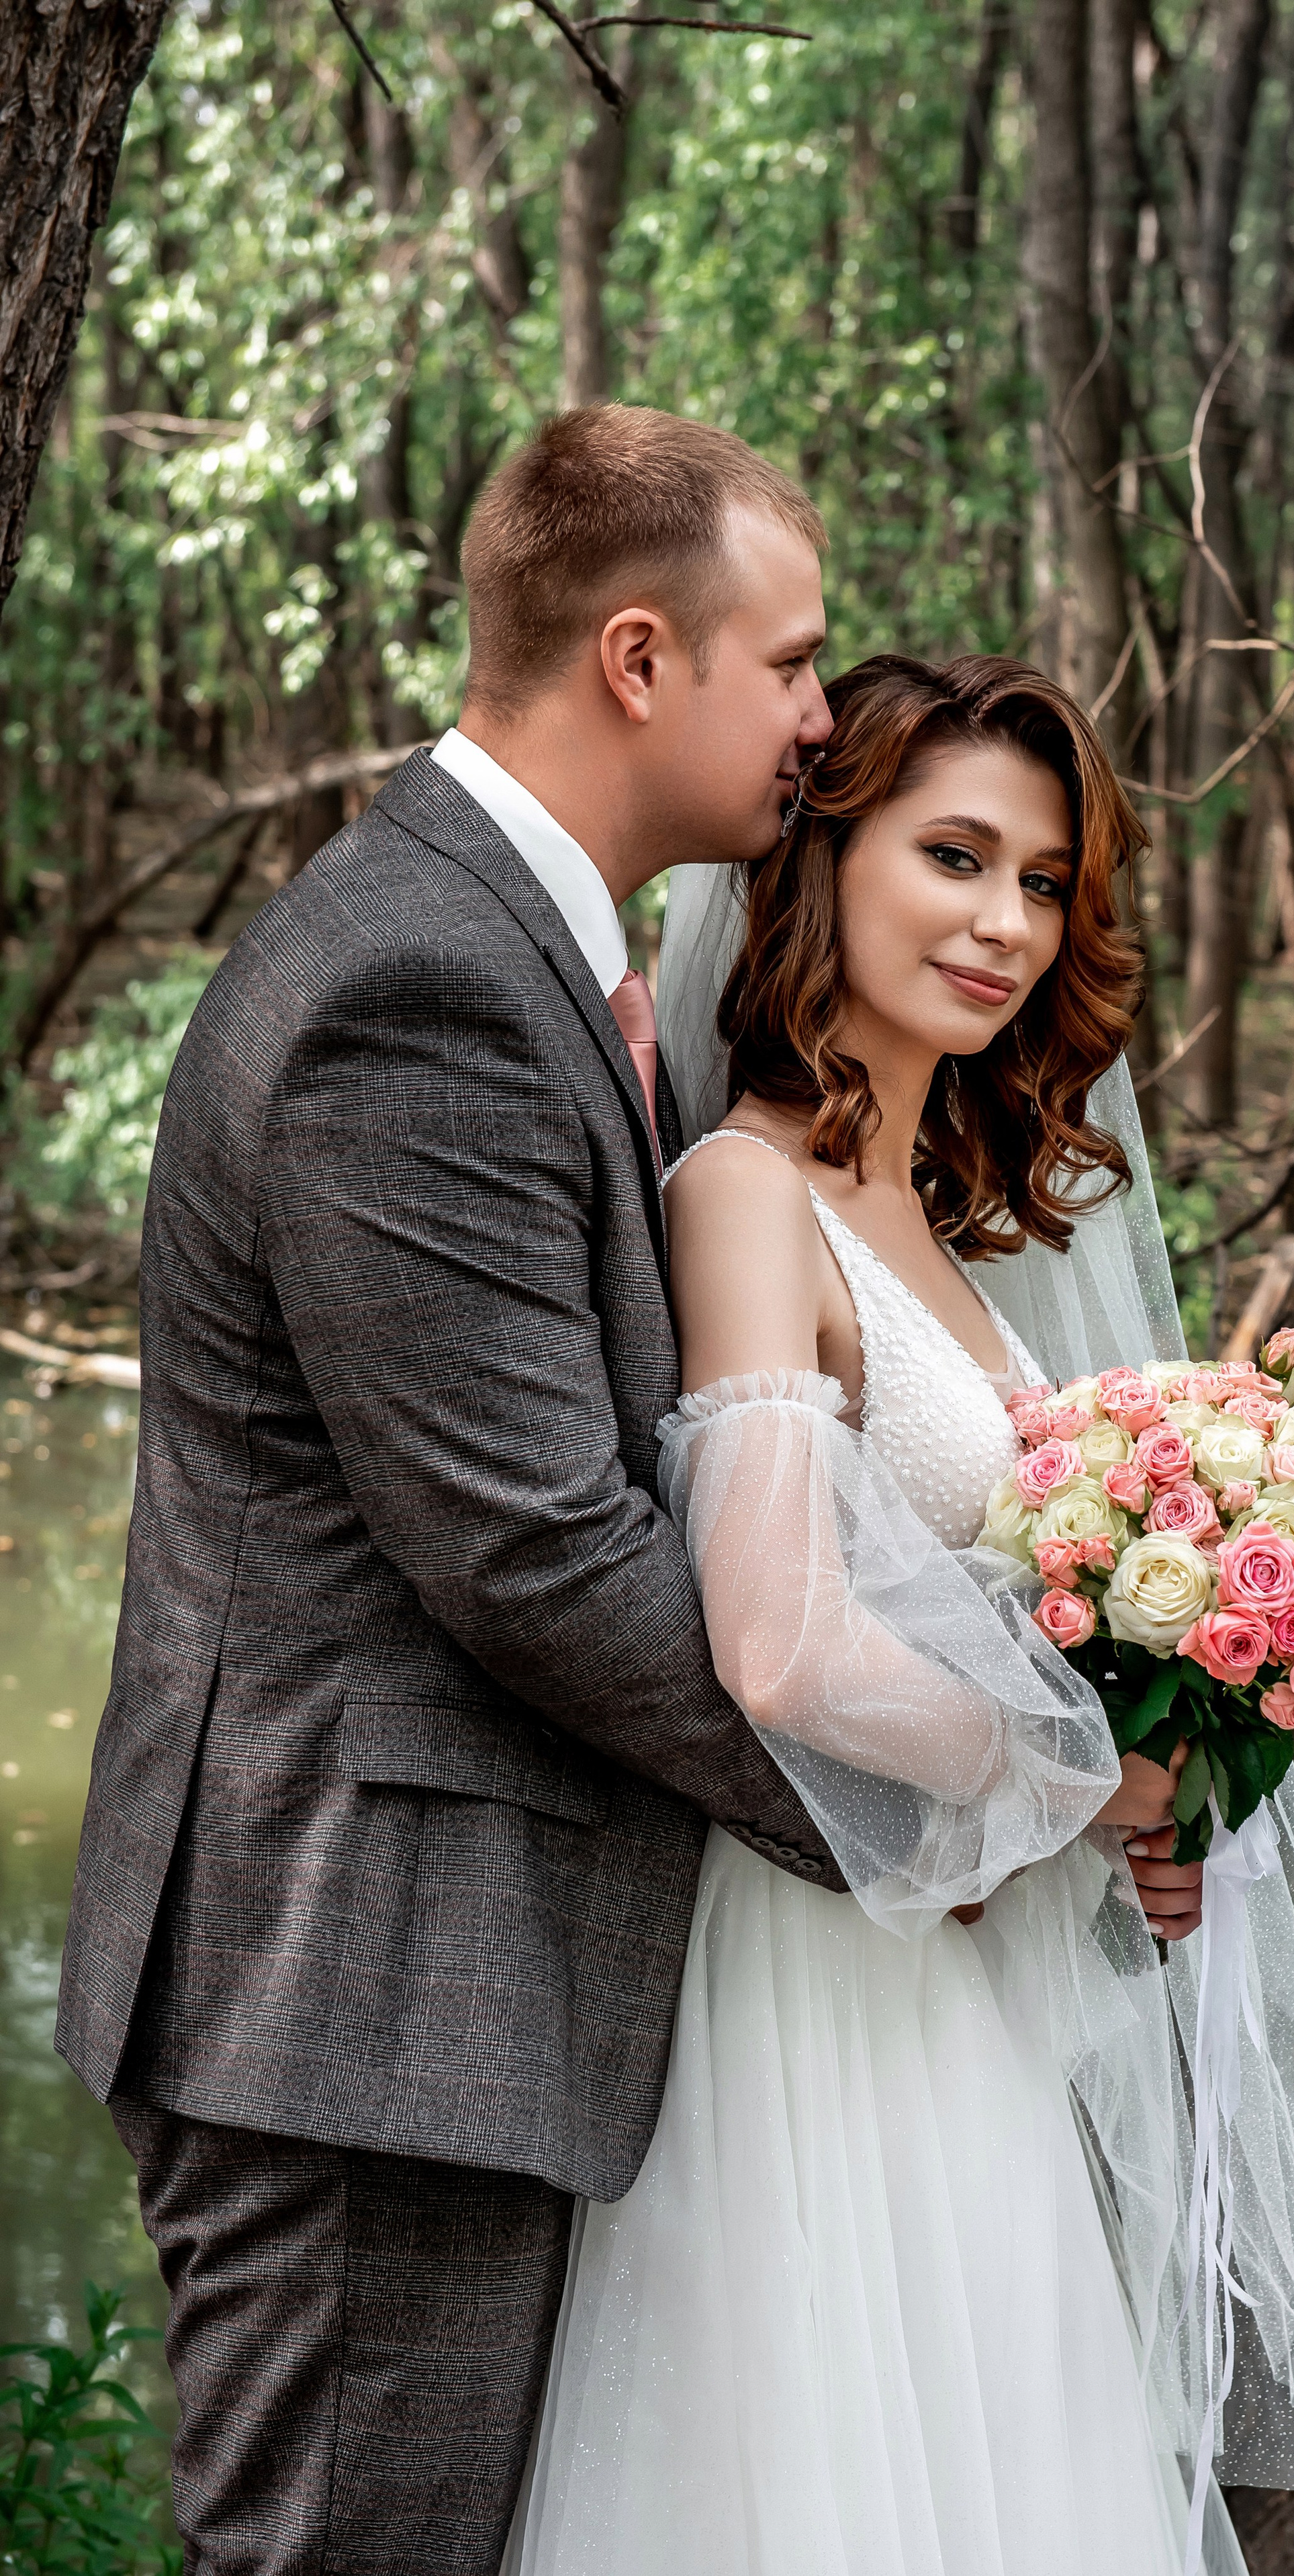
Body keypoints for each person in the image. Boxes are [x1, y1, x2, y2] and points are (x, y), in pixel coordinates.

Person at [503, 654, 1294, 2576]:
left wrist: (1155, 1749)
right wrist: (1096, 1780)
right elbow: (774, 1642)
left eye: (1040, 880)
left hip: (955, 1989)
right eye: (951, 855)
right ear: (824, 859)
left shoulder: (936, 1212)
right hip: (809, 1998)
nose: (1003, 922)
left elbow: (984, 1627)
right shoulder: (745, 1197)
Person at [55, 404, 876, 2575]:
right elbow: (531, 1549)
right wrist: (910, 1819)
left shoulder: (536, 954)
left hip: (430, 1997)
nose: (819, 713)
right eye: (789, 662)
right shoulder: (416, 983)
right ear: (636, 658)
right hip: (359, 1999)